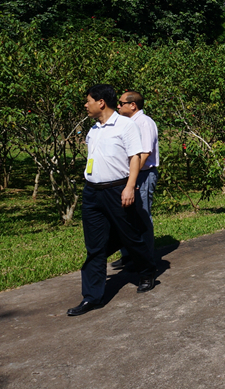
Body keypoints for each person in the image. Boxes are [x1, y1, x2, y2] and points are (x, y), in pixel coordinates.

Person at [68, 84, 157, 317]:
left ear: (101, 102)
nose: (85, 105)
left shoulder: (126, 126)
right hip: (93, 192)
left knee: (132, 236)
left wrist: (129, 187)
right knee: (94, 246)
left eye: (88, 100)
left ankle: (147, 272)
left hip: (118, 189)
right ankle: (92, 297)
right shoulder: (94, 130)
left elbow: (135, 158)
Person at [114, 90, 159, 267]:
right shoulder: (128, 123)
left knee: (142, 216)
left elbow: (145, 153)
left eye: (121, 103)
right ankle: (128, 255)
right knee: (126, 216)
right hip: (132, 176)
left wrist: (130, 178)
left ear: (133, 105)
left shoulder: (144, 123)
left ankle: (144, 259)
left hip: (143, 174)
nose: (117, 106)